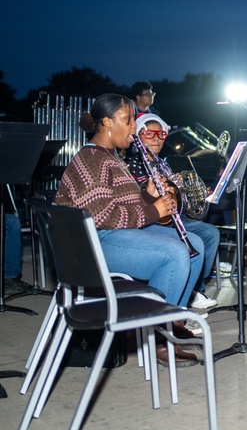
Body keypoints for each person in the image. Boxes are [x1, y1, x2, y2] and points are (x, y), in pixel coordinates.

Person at [55, 93, 206, 366]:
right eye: (128, 120)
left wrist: (148, 197)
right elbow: (101, 215)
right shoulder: (91, 159)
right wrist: (153, 210)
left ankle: (171, 320)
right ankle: (157, 339)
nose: (134, 127)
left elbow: (125, 206)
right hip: (93, 245)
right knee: (174, 254)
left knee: (194, 245)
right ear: (107, 122)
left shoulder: (111, 158)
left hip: (111, 235)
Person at [124, 113, 221, 310]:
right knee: (197, 238)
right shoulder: (133, 162)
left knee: (211, 232)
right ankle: (182, 295)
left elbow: (179, 196)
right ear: (139, 136)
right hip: (153, 218)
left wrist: (197, 193)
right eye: (150, 133)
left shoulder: (163, 163)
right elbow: (138, 195)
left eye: (161, 134)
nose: (156, 138)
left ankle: (195, 288)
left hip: (172, 215)